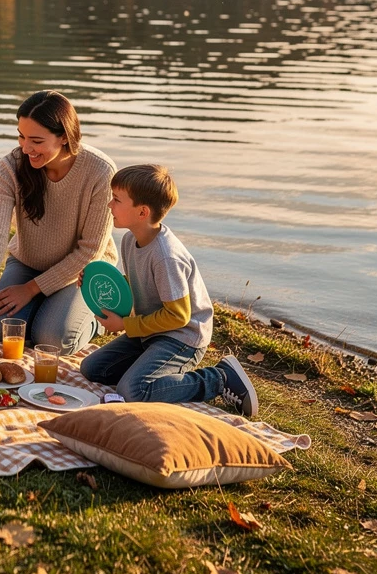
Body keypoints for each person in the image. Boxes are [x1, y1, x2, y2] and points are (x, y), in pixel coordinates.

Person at [79, 164, 259, 416]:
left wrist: (125, 325)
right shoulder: (131, 240)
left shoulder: (166, 257)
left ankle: (218, 379)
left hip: (182, 337)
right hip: (149, 332)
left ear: (142, 212)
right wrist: (97, 282)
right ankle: (151, 366)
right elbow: (138, 283)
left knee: (133, 391)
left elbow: (178, 316)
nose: (110, 205)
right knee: (92, 369)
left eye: (117, 200)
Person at [0, 90, 116, 355]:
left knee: (54, 339)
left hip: (82, 272)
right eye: (21, 136)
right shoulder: (9, 169)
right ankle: (46, 307)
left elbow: (89, 251)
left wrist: (30, 290)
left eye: (36, 141)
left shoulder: (100, 172)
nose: (25, 148)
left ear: (64, 136)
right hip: (28, 262)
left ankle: (93, 321)